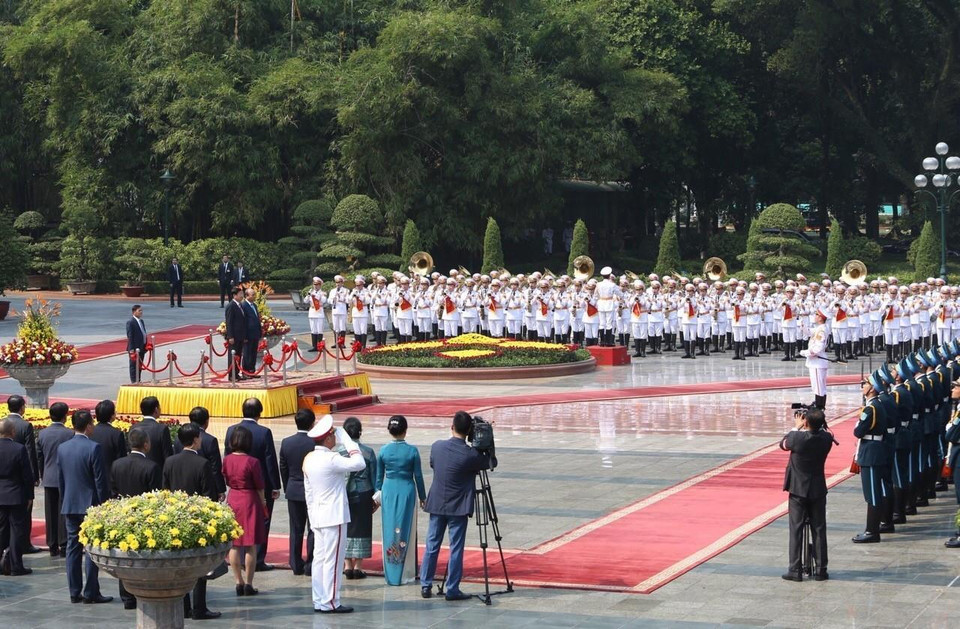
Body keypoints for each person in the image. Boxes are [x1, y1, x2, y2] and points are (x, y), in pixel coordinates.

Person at [419, 411, 491, 601]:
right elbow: (491, 462)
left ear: (452, 427)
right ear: (469, 432)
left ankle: (425, 585)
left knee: (432, 545)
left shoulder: (437, 447)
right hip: (457, 508)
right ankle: (452, 589)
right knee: (456, 548)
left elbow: (434, 465)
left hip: (437, 505)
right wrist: (487, 442)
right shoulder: (471, 455)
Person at [303, 415, 366, 614]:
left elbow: (309, 493)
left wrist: (312, 517)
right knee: (334, 561)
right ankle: (331, 601)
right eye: (333, 435)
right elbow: (359, 462)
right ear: (328, 439)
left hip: (318, 516)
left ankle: (320, 599)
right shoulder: (331, 458)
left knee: (320, 560)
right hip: (334, 516)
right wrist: (348, 439)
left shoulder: (309, 459)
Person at [163, 423, 221, 620]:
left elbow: (165, 491)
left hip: (176, 518)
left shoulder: (169, 461)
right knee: (199, 565)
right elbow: (208, 495)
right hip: (197, 520)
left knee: (181, 565)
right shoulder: (202, 464)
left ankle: (185, 606)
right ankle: (199, 607)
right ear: (196, 440)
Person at [58, 410, 112, 604]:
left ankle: (74, 591)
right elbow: (100, 480)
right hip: (90, 506)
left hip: (70, 504)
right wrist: (104, 505)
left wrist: (65, 501)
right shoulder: (93, 448)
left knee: (73, 548)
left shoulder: (63, 448)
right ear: (88, 425)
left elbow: (61, 480)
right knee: (90, 548)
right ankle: (90, 592)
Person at [224, 398, 280, 571]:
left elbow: (227, 456)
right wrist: (275, 485)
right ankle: (258, 559)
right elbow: (270, 460)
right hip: (260, 484)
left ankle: (240, 558)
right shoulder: (264, 432)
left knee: (237, 524)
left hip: (237, 486)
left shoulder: (231, 430)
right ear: (259, 413)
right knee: (261, 523)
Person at [780, 407, 833, 582]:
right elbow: (824, 431)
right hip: (818, 489)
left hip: (798, 490)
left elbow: (783, 444)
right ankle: (821, 569)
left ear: (805, 422)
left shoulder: (797, 438)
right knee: (819, 529)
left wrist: (796, 426)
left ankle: (795, 569)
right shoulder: (827, 438)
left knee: (796, 528)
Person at [110, 428, 161, 609]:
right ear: (146, 445)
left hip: (123, 516)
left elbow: (113, 492)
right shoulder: (152, 467)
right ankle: (143, 590)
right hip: (145, 520)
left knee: (125, 557)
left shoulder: (117, 464)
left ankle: (126, 596)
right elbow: (156, 497)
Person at [375, 415, 425, 585]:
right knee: (406, 530)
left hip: (389, 492)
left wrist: (376, 495)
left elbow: (378, 479)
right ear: (405, 430)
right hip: (407, 492)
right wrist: (423, 497)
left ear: (389, 430)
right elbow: (418, 476)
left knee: (389, 529)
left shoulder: (383, 451)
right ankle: (406, 573)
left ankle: (391, 572)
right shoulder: (412, 451)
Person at [222, 425, 266, 596]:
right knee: (250, 544)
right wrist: (262, 501)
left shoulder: (227, 460)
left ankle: (238, 581)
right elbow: (259, 485)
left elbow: (226, 479)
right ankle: (249, 582)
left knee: (234, 543)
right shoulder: (252, 461)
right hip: (249, 499)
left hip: (234, 498)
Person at [851, 375, 890, 544]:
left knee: (873, 494)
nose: (862, 387)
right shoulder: (875, 405)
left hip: (871, 452)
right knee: (874, 492)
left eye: (864, 384)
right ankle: (872, 529)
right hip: (875, 450)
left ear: (872, 388)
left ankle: (872, 531)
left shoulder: (871, 409)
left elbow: (858, 432)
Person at [279, 409, 316, 576]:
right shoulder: (316, 443)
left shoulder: (287, 442)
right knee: (313, 528)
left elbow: (283, 468)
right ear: (312, 423)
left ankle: (295, 564)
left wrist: (288, 487)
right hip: (313, 491)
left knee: (296, 529)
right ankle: (310, 564)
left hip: (293, 490)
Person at [342, 417, 377, 580]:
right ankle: (358, 566)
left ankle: (347, 564)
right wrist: (376, 499)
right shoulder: (368, 452)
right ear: (359, 432)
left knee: (346, 526)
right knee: (362, 527)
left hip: (345, 493)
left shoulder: (339, 451)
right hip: (364, 493)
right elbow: (375, 477)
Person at [37, 402, 73, 557]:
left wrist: (42, 474)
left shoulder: (42, 433)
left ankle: (52, 544)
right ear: (65, 416)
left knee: (50, 512)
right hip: (65, 477)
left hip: (49, 477)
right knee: (63, 511)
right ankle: (64, 543)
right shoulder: (69, 434)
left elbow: (40, 457)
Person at [0, 417, 35, 576]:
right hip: (16, 495)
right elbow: (27, 476)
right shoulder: (19, 449)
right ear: (12, 432)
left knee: (1, 530)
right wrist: (29, 496)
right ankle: (15, 565)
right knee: (16, 531)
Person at [173, 407, 226, 501]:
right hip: (205, 489)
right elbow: (215, 468)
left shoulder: (178, 438)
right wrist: (220, 490)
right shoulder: (210, 440)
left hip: (181, 489)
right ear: (206, 421)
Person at [90, 399, 128, 491]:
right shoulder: (116, 434)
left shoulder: (90, 432)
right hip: (110, 480)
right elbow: (121, 458)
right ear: (112, 415)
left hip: (91, 478)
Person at [800, 309, 830, 410]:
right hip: (816, 362)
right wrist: (802, 325)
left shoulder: (822, 330)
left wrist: (806, 353)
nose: (815, 316)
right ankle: (818, 404)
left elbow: (818, 348)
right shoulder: (819, 328)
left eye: (816, 314)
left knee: (818, 386)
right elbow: (809, 332)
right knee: (818, 386)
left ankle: (819, 406)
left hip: (817, 361)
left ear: (821, 318)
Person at [131, 396, 173, 467]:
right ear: (156, 409)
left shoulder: (133, 427)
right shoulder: (162, 429)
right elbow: (168, 455)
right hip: (156, 472)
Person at [225, 286, 247, 381]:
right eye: (240, 294)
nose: (242, 296)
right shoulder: (231, 306)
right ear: (235, 295)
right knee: (233, 356)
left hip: (240, 335)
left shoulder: (240, 305)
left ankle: (237, 374)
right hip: (234, 336)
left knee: (239, 355)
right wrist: (230, 336)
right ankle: (231, 375)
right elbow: (229, 322)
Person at [241, 288, 262, 375]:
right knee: (247, 353)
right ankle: (245, 371)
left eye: (254, 294)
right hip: (248, 334)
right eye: (252, 294)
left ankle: (252, 371)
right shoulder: (244, 305)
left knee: (253, 353)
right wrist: (244, 335)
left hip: (255, 333)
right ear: (246, 296)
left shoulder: (254, 305)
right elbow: (243, 322)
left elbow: (257, 319)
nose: (254, 296)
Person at [126, 305, 147, 383]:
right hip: (135, 348)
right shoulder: (130, 322)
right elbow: (130, 336)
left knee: (140, 365)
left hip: (142, 347)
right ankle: (134, 381)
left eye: (141, 310)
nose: (141, 312)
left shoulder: (141, 321)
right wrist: (131, 349)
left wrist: (146, 344)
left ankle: (138, 379)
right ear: (134, 312)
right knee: (134, 365)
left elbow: (143, 333)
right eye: (139, 311)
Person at [306, 277, 327, 352]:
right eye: (314, 284)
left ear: (320, 285)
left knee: (319, 330)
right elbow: (305, 301)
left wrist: (317, 296)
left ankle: (320, 346)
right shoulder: (311, 292)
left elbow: (324, 300)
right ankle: (314, 346)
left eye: (317, 284)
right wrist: (309, 295)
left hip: (319, 313)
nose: (316, 286)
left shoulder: (322, 293)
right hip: (312, 312)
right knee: (313, 330)